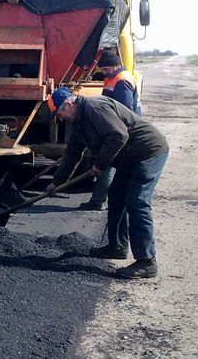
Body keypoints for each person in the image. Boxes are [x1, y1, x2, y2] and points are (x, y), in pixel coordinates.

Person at [47, 86, 169, 279]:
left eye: (59, 112)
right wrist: (56, 181)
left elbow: (118, 135)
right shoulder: (78, 123)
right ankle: (117, 247)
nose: (60, 117)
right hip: (129, 157)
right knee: (116, 196)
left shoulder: (94, 108)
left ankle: (147, 262)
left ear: (69, 104)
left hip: (147, 152)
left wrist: (100, 165)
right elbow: (72, 154)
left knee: (137, 202)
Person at [79, 49, 142, 211]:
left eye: (106, 69)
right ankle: (113, 198)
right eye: (103, 70)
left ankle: (98, 201)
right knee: (112, 164)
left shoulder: (122, 81)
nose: (104, 73)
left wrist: (111, 132)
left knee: (106, 163)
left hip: (121, 129)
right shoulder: (113, 78)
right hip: (117, 128)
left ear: (116, 65)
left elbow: (123, 109)